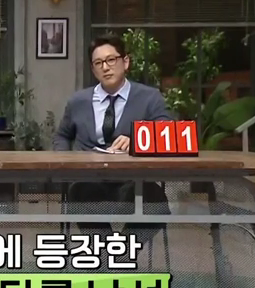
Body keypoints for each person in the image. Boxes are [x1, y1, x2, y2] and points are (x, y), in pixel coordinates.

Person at [53, 33, 173, 248]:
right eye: (98, 63)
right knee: (80, 193)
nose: (105, 67)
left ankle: (121, 254)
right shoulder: (78, 101)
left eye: (111, 60)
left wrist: (137, 140)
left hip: (133, 181)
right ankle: (107, 257)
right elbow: (62, 136)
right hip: (89, 181)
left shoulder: (150, 97)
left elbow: (167, 133)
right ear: (93, 70)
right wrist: (66, 163)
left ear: (125, 62)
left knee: (155, 201)